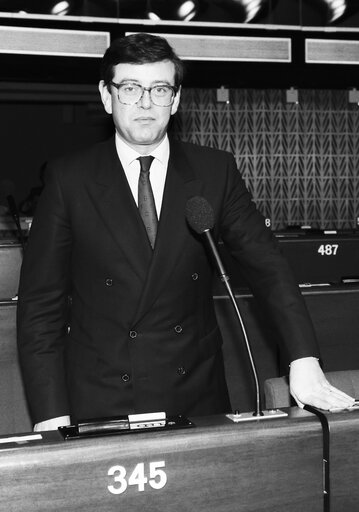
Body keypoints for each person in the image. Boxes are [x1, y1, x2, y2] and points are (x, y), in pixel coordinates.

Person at [17, 32, 354, 432]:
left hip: (195, 392)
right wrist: (50, 413)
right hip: (100, 395)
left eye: (159, 89)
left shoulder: (215, 171)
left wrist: (303, 358)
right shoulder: (68, 178)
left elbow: (269, 268)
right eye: (130, 89)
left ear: (175, 100)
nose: (145, 103)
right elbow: (40, 306)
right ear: (107, 97)